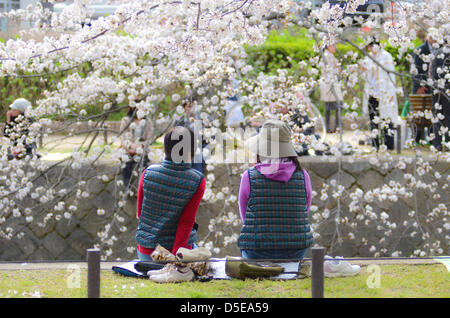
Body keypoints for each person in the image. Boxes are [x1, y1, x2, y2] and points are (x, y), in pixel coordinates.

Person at [237, 119, 314, 260]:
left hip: (256, 250)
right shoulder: (303, 176)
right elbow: (304, 212)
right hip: (295, 250)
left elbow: (245, 216)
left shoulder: (249, 176)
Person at [135, 126, 206, 261]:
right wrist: (175, 260)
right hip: (173, 254)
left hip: (146, 253)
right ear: (190, 151)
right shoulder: (197, 180)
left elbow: (140, 213)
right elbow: (186, 222)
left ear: (166, 148)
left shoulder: (148, 173)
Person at [361, 40, 399, 150]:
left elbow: (391, 75)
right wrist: (364, 71)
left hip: (385, 92)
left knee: (387, 118)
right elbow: (365, 76)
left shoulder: (386, 56)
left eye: (370, 47)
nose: (370, 50)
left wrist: (391, 92)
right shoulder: (368, 57)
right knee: (373, 118)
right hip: (372, 92)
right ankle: (375, 144)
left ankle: (389, 144)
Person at [119, 106, 153, 186]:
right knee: (127, 165)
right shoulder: (126, 120)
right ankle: (127, 188)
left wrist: (140, 146)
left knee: (144, 165)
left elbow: (150, 139)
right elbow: (122, 137)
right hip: (128, 150)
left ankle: (143, 187)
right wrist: (130, 147)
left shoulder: (148, 122)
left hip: (142, 150)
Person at [319, 44, 343, 133]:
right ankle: (334, 127)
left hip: (331, 83)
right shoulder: (326, 56)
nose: (336, 47)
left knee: (333, 106)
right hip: (329, 84)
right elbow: (328, 71)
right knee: (335, 106)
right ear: (328, 46)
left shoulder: (330, 56)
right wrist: (338, 69)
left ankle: (333, 127)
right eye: (334, 45)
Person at [430, 45, 449, 151]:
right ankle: (447, 142)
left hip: (436, 89)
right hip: (447, 89)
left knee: (437, 117)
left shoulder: (436, 53)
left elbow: (431, 73)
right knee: (448, 117)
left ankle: (437, 143)